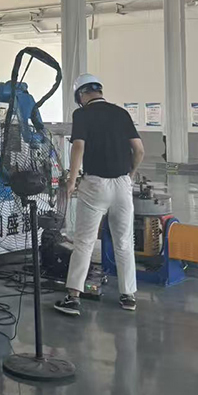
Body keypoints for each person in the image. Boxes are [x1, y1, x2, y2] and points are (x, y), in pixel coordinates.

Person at [54, 73, 144, 317]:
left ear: (81, 95)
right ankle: (128, 296)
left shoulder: (82, 114)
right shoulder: (121, 113)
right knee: (124, 242)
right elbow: (139, 150)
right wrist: (130, 174)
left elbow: (78, 146)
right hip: (122, 185)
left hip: (95, 185)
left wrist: (71, 181)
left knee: (84, 242)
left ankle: (73, 298)